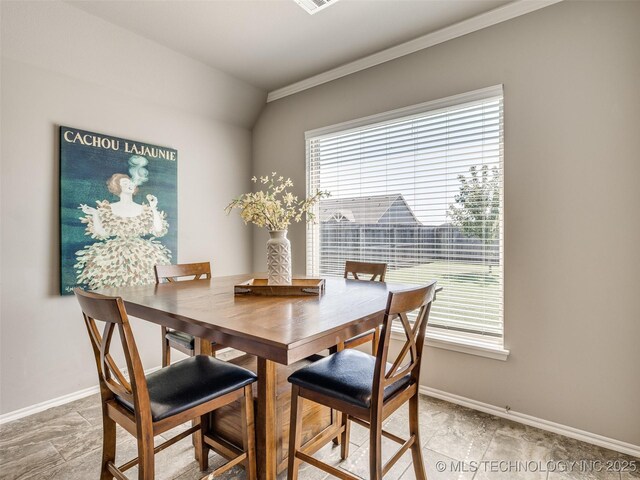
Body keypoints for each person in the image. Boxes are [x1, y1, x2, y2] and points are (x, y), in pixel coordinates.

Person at [75, 173, 171, 290]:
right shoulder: (109, 208)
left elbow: (158, 230)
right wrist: (95, 214)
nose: (129, 184)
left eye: (130, 182)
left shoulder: (143, 208)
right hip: (115, 255)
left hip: (142, 255)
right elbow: (103, 234)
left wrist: (153, 207)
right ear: (118, 187)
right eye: (125, 183)